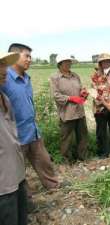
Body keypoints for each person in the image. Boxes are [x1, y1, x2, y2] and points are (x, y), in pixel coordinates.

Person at [0, 43, 59, 198]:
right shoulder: (4, 78)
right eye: (26, 56)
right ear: (15, 56)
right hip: (15, 135)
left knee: (44, 160)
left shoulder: (26, 78)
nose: (30, 59)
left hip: (32, 131)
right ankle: (25, 200)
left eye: (30, 56)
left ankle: (53, 184)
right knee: (18, 171)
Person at [0, 52, 27, 225]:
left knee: (20, 218)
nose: (4, 69)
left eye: (3, 64)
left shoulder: (5, 99)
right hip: (2, 184)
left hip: (17, 174)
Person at [50, 55, 89, 163]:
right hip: (67, 112)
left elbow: (80, 89)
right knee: (66, 138)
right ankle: (66, 160)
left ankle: (83, 158)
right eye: (66, 62)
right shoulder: (55, 77)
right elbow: (56, 95)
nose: (68, 64)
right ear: (60, 64)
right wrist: (71, 98)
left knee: (82, 136)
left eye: (69, 62)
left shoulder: (75, 75)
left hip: (79, 111)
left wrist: (83, 93)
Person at [91, 53, 110, 158]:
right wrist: (106, 104)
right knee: (101, 131)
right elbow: (94, 92)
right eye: (103, 61)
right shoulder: (95, 76)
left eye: (108, 61)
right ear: (100, 63)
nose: (106, 63)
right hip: (100, 108)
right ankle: (103, 152)